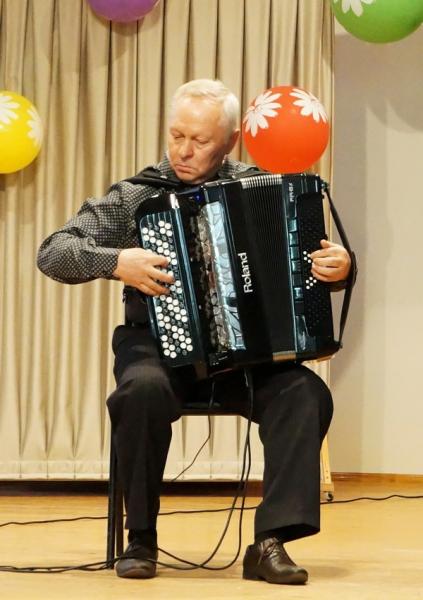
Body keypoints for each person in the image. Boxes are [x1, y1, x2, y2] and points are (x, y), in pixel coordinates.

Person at [37, 79, 353, 585]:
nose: (183, 150)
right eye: (176, 135)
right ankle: (140, 537)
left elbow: (309, 270)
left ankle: (270, 542)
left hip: (247, 357)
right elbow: (53, 252)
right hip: (156, 348)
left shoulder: (266, 187)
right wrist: (116, 261)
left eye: (200, 140)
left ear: (229, 141)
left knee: (305, 394)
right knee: (140, 391)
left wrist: (339, 268)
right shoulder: (138, 195)